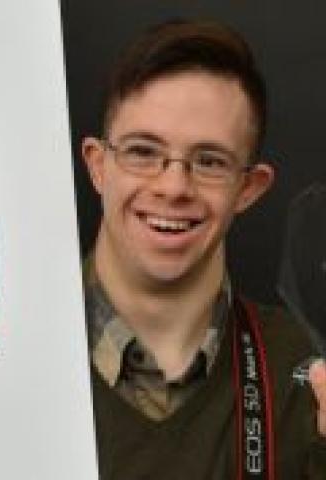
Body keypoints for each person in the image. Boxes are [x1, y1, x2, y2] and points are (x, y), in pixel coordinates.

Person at [80, 19, 326, 479]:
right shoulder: (6, 356)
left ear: (249, 189)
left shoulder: (308, 375)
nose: (173, 186)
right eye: (142, 151)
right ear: (98, 166)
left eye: (210, 161)